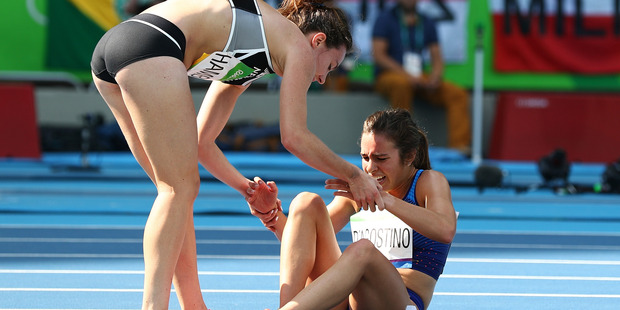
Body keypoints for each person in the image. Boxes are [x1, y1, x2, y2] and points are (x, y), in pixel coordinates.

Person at [90, 0, 384, 309]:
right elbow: (294, 136)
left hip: (114, 49)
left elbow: (202, 141)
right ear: (318, 41)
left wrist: (246, 188)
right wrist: (354, 175)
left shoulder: (254, 54)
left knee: (176, 196)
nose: (322, 78)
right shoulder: (296, 45)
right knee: (178, 190)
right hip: (151, 43)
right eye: (329, 66)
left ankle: (194, 305)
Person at [249, 108, 457, 310]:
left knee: (363, 250)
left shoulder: (428, 182)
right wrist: (272, 215)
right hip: (349, 300)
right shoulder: (357, 194)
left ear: (410, 156)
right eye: (365, 158)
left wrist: (382, 198)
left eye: (381, 159)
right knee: (306, 202)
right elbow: (301, 243)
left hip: (401, 300)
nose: (371, 168)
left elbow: (445, 230)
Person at [371, 0, 471, 155]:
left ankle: (459, 148)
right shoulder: (385, 19)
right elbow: (379, 56)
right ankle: (400, 145)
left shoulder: (426, 21)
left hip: (418, 77)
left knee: (457, 94)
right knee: (402, 85)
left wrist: (435, 77)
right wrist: (407, 75)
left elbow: (437, 58)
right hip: (390, 76)